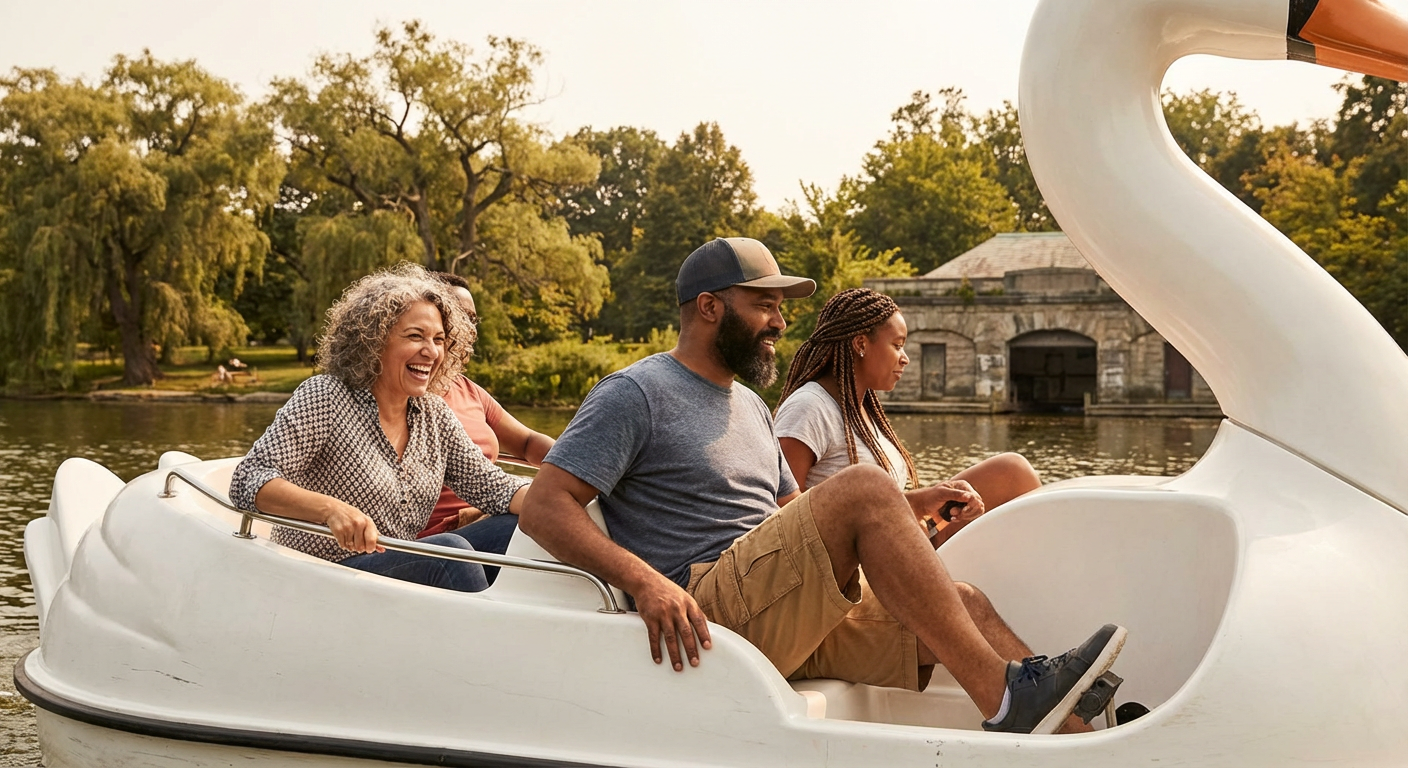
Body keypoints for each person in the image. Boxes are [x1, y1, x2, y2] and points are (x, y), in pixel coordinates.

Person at [520, 236, 1126, 734]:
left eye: (781, 308)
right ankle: (1007, 705)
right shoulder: (635, 393)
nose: (781, 322)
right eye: (765, 305)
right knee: (863, 485)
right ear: (709, 308)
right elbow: (546, 507)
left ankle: (1088, 744)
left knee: (963, 602)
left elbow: (795, 511)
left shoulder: (752, 407)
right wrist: (645, 583)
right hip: (704, 606)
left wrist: (905, 502)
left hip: (778, 603)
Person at [229, 264, 530, 592]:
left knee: (519, 527)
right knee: (451, 554)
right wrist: (330, 509)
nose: (431, 351)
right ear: (373, 340)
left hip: (392, 573)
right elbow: (249, 479)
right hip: (319, 574)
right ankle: (485, 639)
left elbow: (494, 487)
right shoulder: (327, 396)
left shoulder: (434, 414)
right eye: (416, 336)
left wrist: (563, 501)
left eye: (440, 340)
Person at [774, 287, 1041, 546]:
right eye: (897, 345)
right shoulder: (809, 407)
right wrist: (914, 504)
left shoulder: (862, 409)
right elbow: (781, 512)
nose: (905, 359)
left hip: (898, 535)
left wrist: (945, 501)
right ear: (861, 344)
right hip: (862, 556)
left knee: (1013, 472)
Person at [415, 272, 556, 583]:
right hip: (437, 535)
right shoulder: (410, 394)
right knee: (524, 528)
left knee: (578, 516)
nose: (470, 329)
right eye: (460, 316)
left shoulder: (469, 390)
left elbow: (527, 442)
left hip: (487, 512)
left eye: (473, 319)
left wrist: (574, 464)